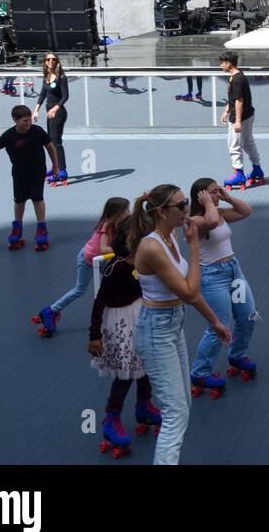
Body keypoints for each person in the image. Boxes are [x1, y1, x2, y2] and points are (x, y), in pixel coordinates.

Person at [130, 184, 231, 463]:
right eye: (181, 205)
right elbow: (188, 292)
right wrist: (195, 246)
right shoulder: (152, 247)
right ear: (162, 213)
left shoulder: (171, 237)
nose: (187, 209)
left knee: (183, 404)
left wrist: (215, 322)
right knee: (175, 414)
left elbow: (190, 293)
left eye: (186, 202)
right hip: (156, 329)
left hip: (172, 324)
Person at [89, 222, 160, 459]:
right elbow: (99, 302)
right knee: (125, 372)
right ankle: (111, 418)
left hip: (140, 314)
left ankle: (144, 405)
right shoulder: (116, 268)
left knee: (146, 363)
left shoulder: (140, 260)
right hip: (120, 320)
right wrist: (95, 336)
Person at [187, 177, 258, 388]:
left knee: (248, 317)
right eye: (213, 192)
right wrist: (209, 203)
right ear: (202, 196)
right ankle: (200, 371)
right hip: (212, 276)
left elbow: (246, 211)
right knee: (219, 326)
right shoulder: (194, 220)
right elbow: (208, 222)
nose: (218, 194)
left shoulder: (220, 213)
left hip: (233, 270)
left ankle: (237, 355)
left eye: (218, 191)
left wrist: (228, 197)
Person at [32, 197, 129, 338]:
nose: (129, 211)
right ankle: (51, 311)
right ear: (117, 212)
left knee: (116, 283)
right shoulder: (107, 225)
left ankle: (115, 314)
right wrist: (123, 249)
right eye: (126, 209)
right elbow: (102, 249)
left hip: (100, 261)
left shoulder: (121, 223)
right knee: (80, 289)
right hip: (88, 260)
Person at [0, 105, 59, 251]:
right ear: (15, 120)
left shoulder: (37, 131)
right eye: (24, 121)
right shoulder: (9, 135)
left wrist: (56, 166)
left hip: (37, 172)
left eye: (29, 120)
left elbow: (50, 147)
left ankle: (42, 228)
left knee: (37, 198)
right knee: (19, 200)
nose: (28, 123)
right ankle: (17, 228)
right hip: (19, 173)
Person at [219, 52, 264, 189]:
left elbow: (239, 101)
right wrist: (226, 110)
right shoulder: (237, 76)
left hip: (241, 117)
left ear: (229, 63)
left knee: (234, 145)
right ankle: (257, 169)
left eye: (222, 62)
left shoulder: (237, 79)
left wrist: (237, 121)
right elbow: (233, 97)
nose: (220, 65)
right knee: (248, 142)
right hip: (249, 114)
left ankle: (238, 173)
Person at [32, 52, 70, 186]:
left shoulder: (61, 77)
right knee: (50, 142)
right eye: (48, 59)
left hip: (58, 113)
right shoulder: (46, 77)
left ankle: (62, 171)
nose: (51, 61)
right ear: (45, 62)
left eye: (53, 59)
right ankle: (56, 167)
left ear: (57, 61)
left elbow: (65, 96)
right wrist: (36, 110)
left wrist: (55, 108)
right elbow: (43, 94)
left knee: (55, 142)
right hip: (50, 113)